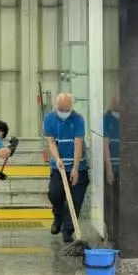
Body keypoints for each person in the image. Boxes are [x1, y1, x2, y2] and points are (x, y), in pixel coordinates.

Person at [43, 92, 89, 243]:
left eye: (67, 109)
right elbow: (51, 141)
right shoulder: (49, 119)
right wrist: (57, 159)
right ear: (56, 106)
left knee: (75, 200)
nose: (64, 112)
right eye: (61, 109)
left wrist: (75, 168)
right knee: (54, 194)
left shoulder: (78, 119)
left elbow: (78, 143)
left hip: (78, 166)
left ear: (71, 106)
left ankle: (67, 231)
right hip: (59, 166)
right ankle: (58, 217)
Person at [102, 93, 121, 246]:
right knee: (110, 200)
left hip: (124, 168)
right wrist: (109, 169)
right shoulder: (106, 119)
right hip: (111, 166)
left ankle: (120, 230)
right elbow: (105, 144)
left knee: (120, 200)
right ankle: (111, 230)